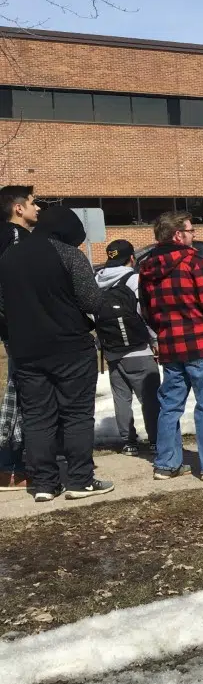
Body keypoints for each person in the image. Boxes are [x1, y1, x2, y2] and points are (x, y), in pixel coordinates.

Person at [0, 205, 112, 501]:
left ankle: (44, 484)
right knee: (76, 416)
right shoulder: (69, 254)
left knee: (37, 417)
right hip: (70, 348)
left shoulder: (10, 256)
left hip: (26, 351)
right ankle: (79, 480)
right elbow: (91, 301)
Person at [139, 210, 203, 483]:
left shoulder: (148, 267)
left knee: (170, 405)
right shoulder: (194, 263)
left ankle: (166, 463)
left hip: (171, 345)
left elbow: (147, 309)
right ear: (178, 234)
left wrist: (163, 330)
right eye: (191, 230)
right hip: (201, 343)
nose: (194, 234)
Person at [95, 239, 161, 455]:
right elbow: (145, 312)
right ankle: (156, 440)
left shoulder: (97, 280)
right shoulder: (134, 279)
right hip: (139, 350)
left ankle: (128, 442)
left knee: (122, 399)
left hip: (112, 351)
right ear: (131, 258)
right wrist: (155, 340)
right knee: (149, 398)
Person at [0, 184, 38, 491]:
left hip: (21, 329)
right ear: (18, 208)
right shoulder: (14, 238)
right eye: (33, 203)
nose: (37, 208)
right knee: (21, 394)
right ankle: (10, 467)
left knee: (25, 391)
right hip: (21, 331)